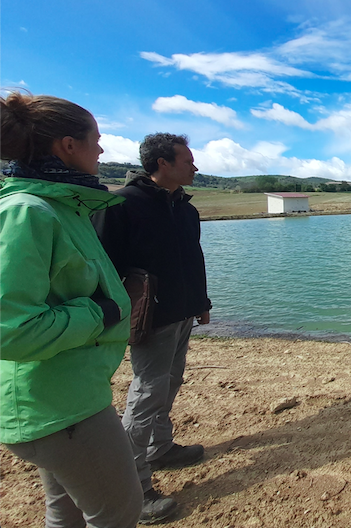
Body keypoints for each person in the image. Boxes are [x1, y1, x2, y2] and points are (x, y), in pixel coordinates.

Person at [0, 91, 142, 527]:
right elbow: (10, 330)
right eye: (95, 139)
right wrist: (102, 313)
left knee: (65, 508)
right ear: (67, 146)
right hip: (58, 403)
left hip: (63, 393)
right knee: (118, 513)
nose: (101, 149)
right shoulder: (28, 212)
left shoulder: (64, 208)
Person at [92, 133, 211, 524]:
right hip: (148, 318)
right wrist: (114, 314)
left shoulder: (184, 208)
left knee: (169, 383)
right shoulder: (123, 204)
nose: (195, 167)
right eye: (187, 160)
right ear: (162, 163)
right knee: (146, 394)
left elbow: (192, 259)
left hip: (181, 312)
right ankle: (132, 487)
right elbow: (102, 265)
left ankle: (160, 449)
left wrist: (201, 303)